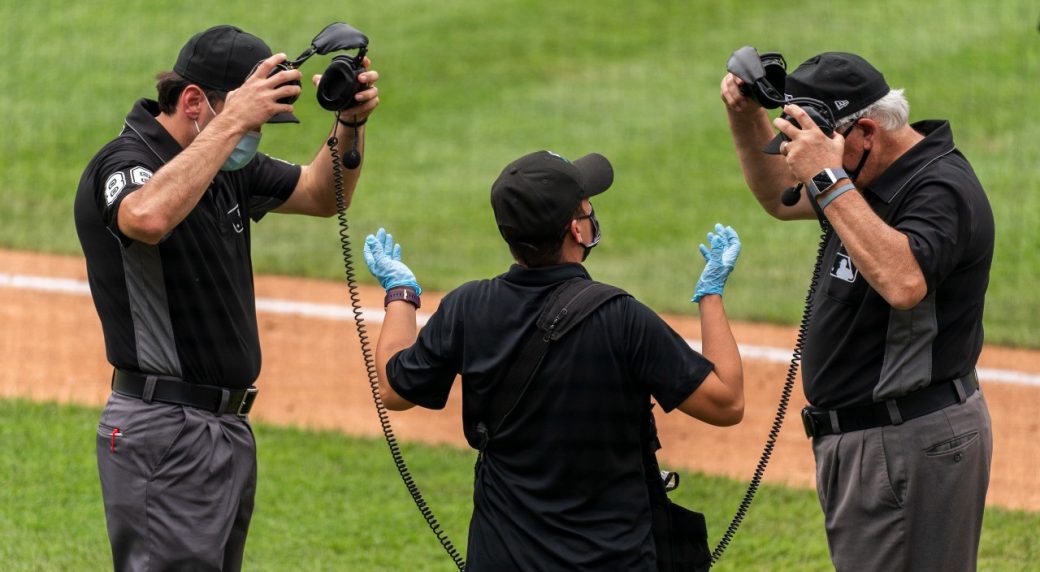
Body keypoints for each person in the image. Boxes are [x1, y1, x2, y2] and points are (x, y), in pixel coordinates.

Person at [73, 24, 379, 570]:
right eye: (252, 118)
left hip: (225, 430)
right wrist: (235, 121)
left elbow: (319, 193)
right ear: (194, 102)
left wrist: (349, 125)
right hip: (164, 429)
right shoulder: (124, 162)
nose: (256, 134)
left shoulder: (221, 167)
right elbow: (144, 216)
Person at [362, 150, 745, 570]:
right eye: (586, 207)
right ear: (576, 231)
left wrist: (401, 293)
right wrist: (710, 294)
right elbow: (726, 402)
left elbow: (393, 389)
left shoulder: (468, 308)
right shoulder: (621, 318)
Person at [720, 51, 994, 571]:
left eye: (820, 151)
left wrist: (826, 177)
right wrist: (744, 115)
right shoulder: (863, 177)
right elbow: (781, 196)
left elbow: (904, 282)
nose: (806, 166)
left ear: (865, 132)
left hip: (909, 445)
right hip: (876, 446)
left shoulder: (940, 190)